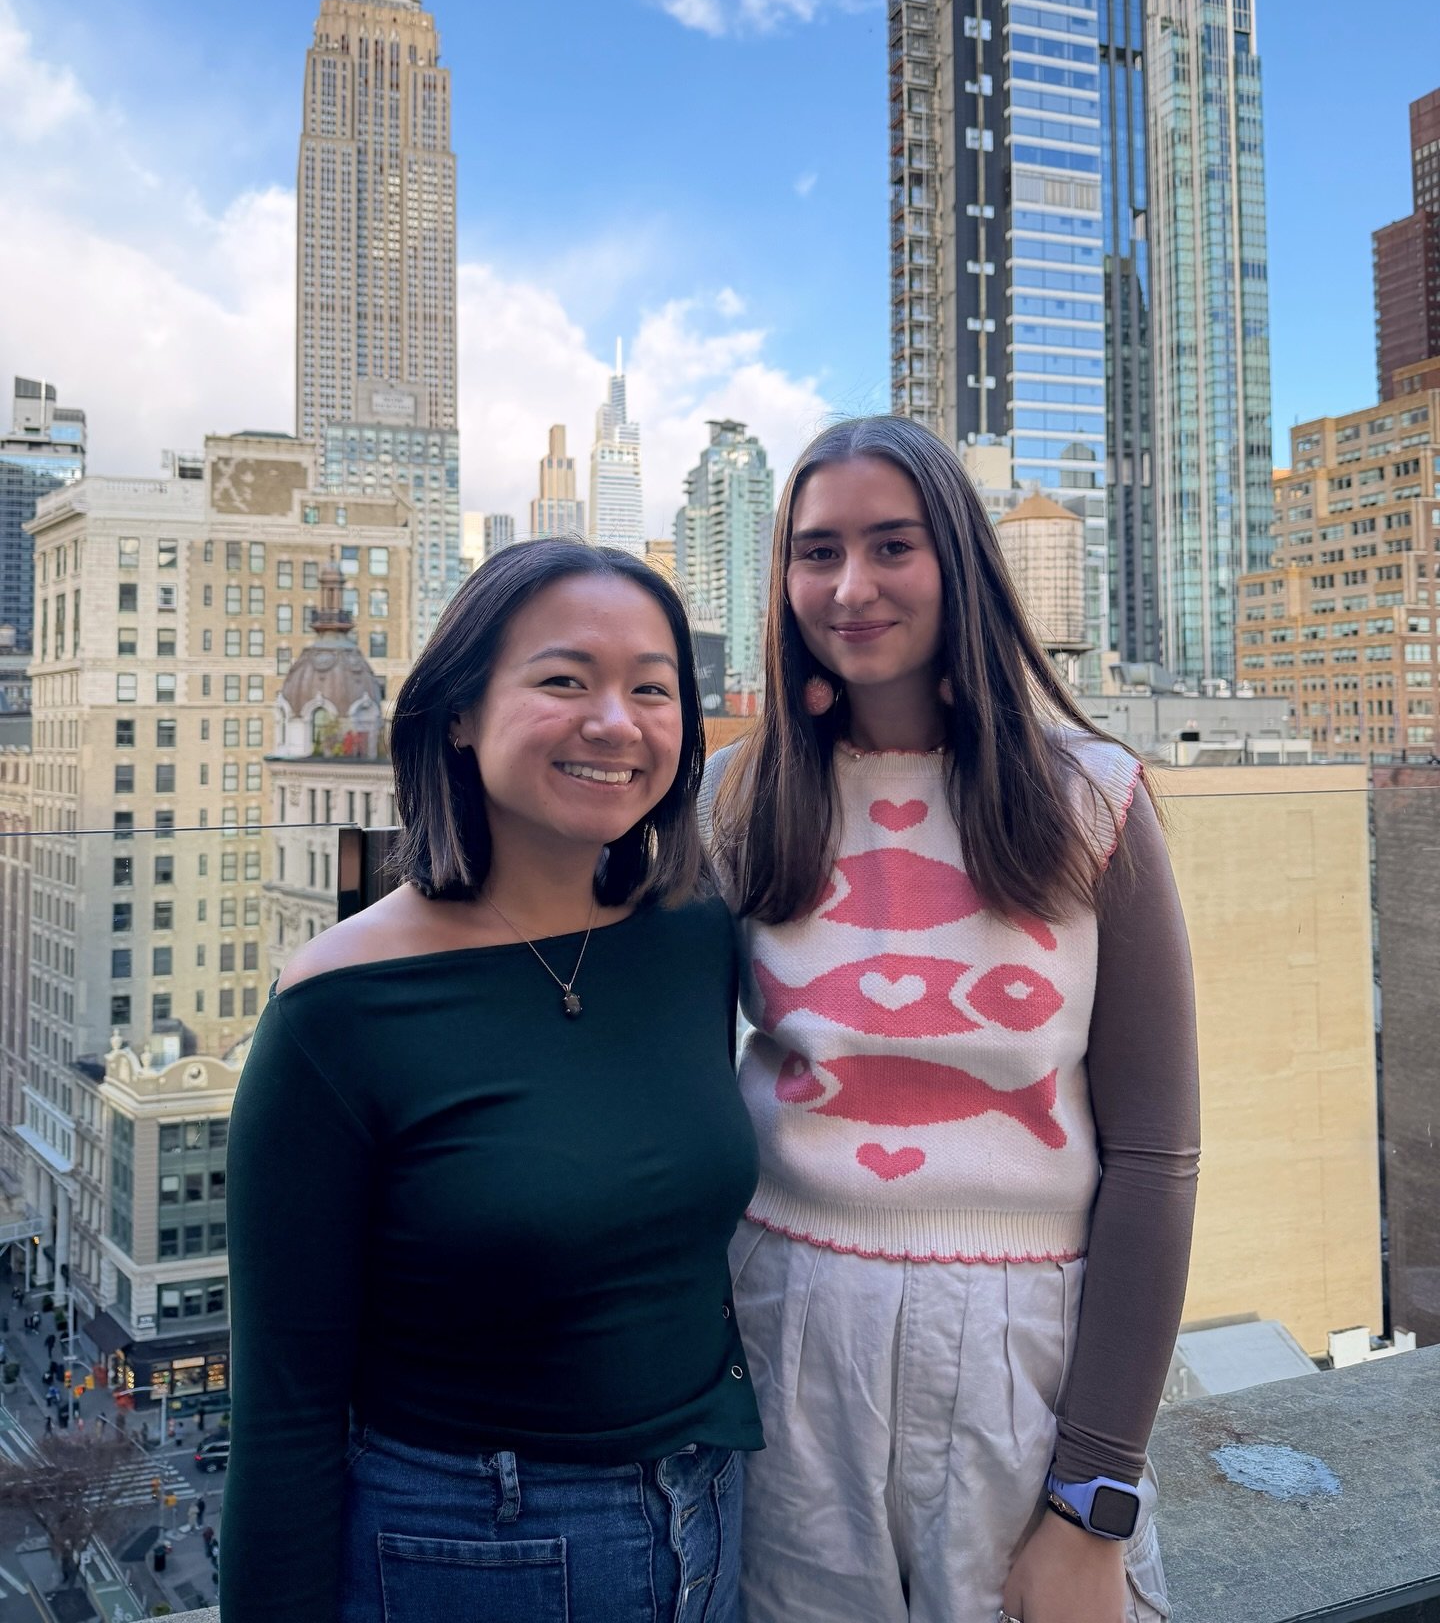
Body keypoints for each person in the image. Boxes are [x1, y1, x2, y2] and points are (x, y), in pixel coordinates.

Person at [703, 417, 1200, 1623]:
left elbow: (1156, 1158)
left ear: (959, 564)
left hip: (1023, 1350)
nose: (850, 586)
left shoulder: (1093, 800)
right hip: (785, 1335)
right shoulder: (735, 797)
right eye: (816, 552)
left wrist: (1095, 1498)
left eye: (892, 546)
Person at [224, 540, 762, 1623]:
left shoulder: (696, 936)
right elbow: (284, 1412)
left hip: (715, 1509)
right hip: (465, 1548)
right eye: (564, 680)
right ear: (459, 713)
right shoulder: (337, 1008)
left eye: (652, 689)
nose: (615, 721)